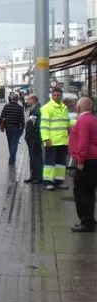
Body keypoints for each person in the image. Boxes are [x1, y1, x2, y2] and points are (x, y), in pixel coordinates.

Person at [68, 97, 97, 232]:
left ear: (79, 108)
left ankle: (86, 221)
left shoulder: (84, 121)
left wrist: (80, 161)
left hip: (87, 160)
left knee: (81, 191)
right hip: (92, 159)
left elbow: (83, 143)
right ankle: (89, 220)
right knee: (89, 191)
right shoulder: (93, 119)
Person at [40, 87, 74, 191]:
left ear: (61, 96)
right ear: (52, 95)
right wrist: (46, 139)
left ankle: (59, 182)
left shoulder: (64, 107)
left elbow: (67, 122)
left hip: (62, 140)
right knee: (49, 163)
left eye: (58, 95)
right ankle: (47, 182)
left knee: (60, 162)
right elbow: (44, 125)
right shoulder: (47, 108)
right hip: (52, 141)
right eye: (54, 95)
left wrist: (78, 123)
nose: (56, 97)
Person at [0, 93, 25, 166]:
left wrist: (2, 127)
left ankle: (12, 158)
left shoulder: (6, 106)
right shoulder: (20, 108)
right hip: (16, 128)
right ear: (17, 99)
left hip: (8, 128)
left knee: (10, 143)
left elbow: (1, 117)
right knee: (14, 144)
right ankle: (12, 159)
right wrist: (22, 129)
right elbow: (22, 120)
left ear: (11, 99)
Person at [24, 94, 43, 184]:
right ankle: (33, 176)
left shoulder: (37, 110)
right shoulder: (33, 109)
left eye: (28, 99)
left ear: (33, 100)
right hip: (31, 138)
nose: (27, 101)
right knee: (32, 157)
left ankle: (38, 177)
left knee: (36, 157)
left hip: (34, 139)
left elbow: (36, 125)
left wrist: (34, 138)